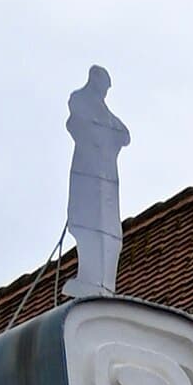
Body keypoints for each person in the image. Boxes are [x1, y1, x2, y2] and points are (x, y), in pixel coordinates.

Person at [64, 65, 128, 299]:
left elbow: (124, 134)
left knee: (108, 228)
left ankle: (103, 281)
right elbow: (79, 123)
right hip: (87, 174)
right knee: (86, 222)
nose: (105, 93)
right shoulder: (80, 99)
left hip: (106, 180)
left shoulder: (105, 112)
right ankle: (89, 276)